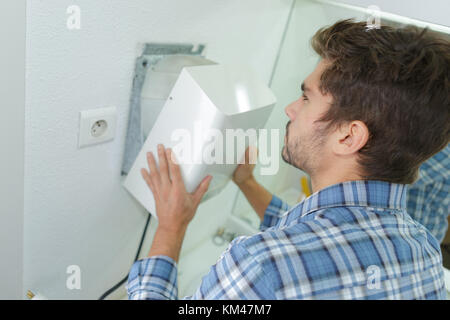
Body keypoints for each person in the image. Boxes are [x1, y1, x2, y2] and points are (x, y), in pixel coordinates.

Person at [127, 19, 450, 299]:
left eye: (306, 98)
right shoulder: (421, 245)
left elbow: (293, 257)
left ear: (348, 136)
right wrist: (247, 182)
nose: (291, 109)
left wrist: (171, 227)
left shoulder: (260, 263)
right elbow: (323, 246)